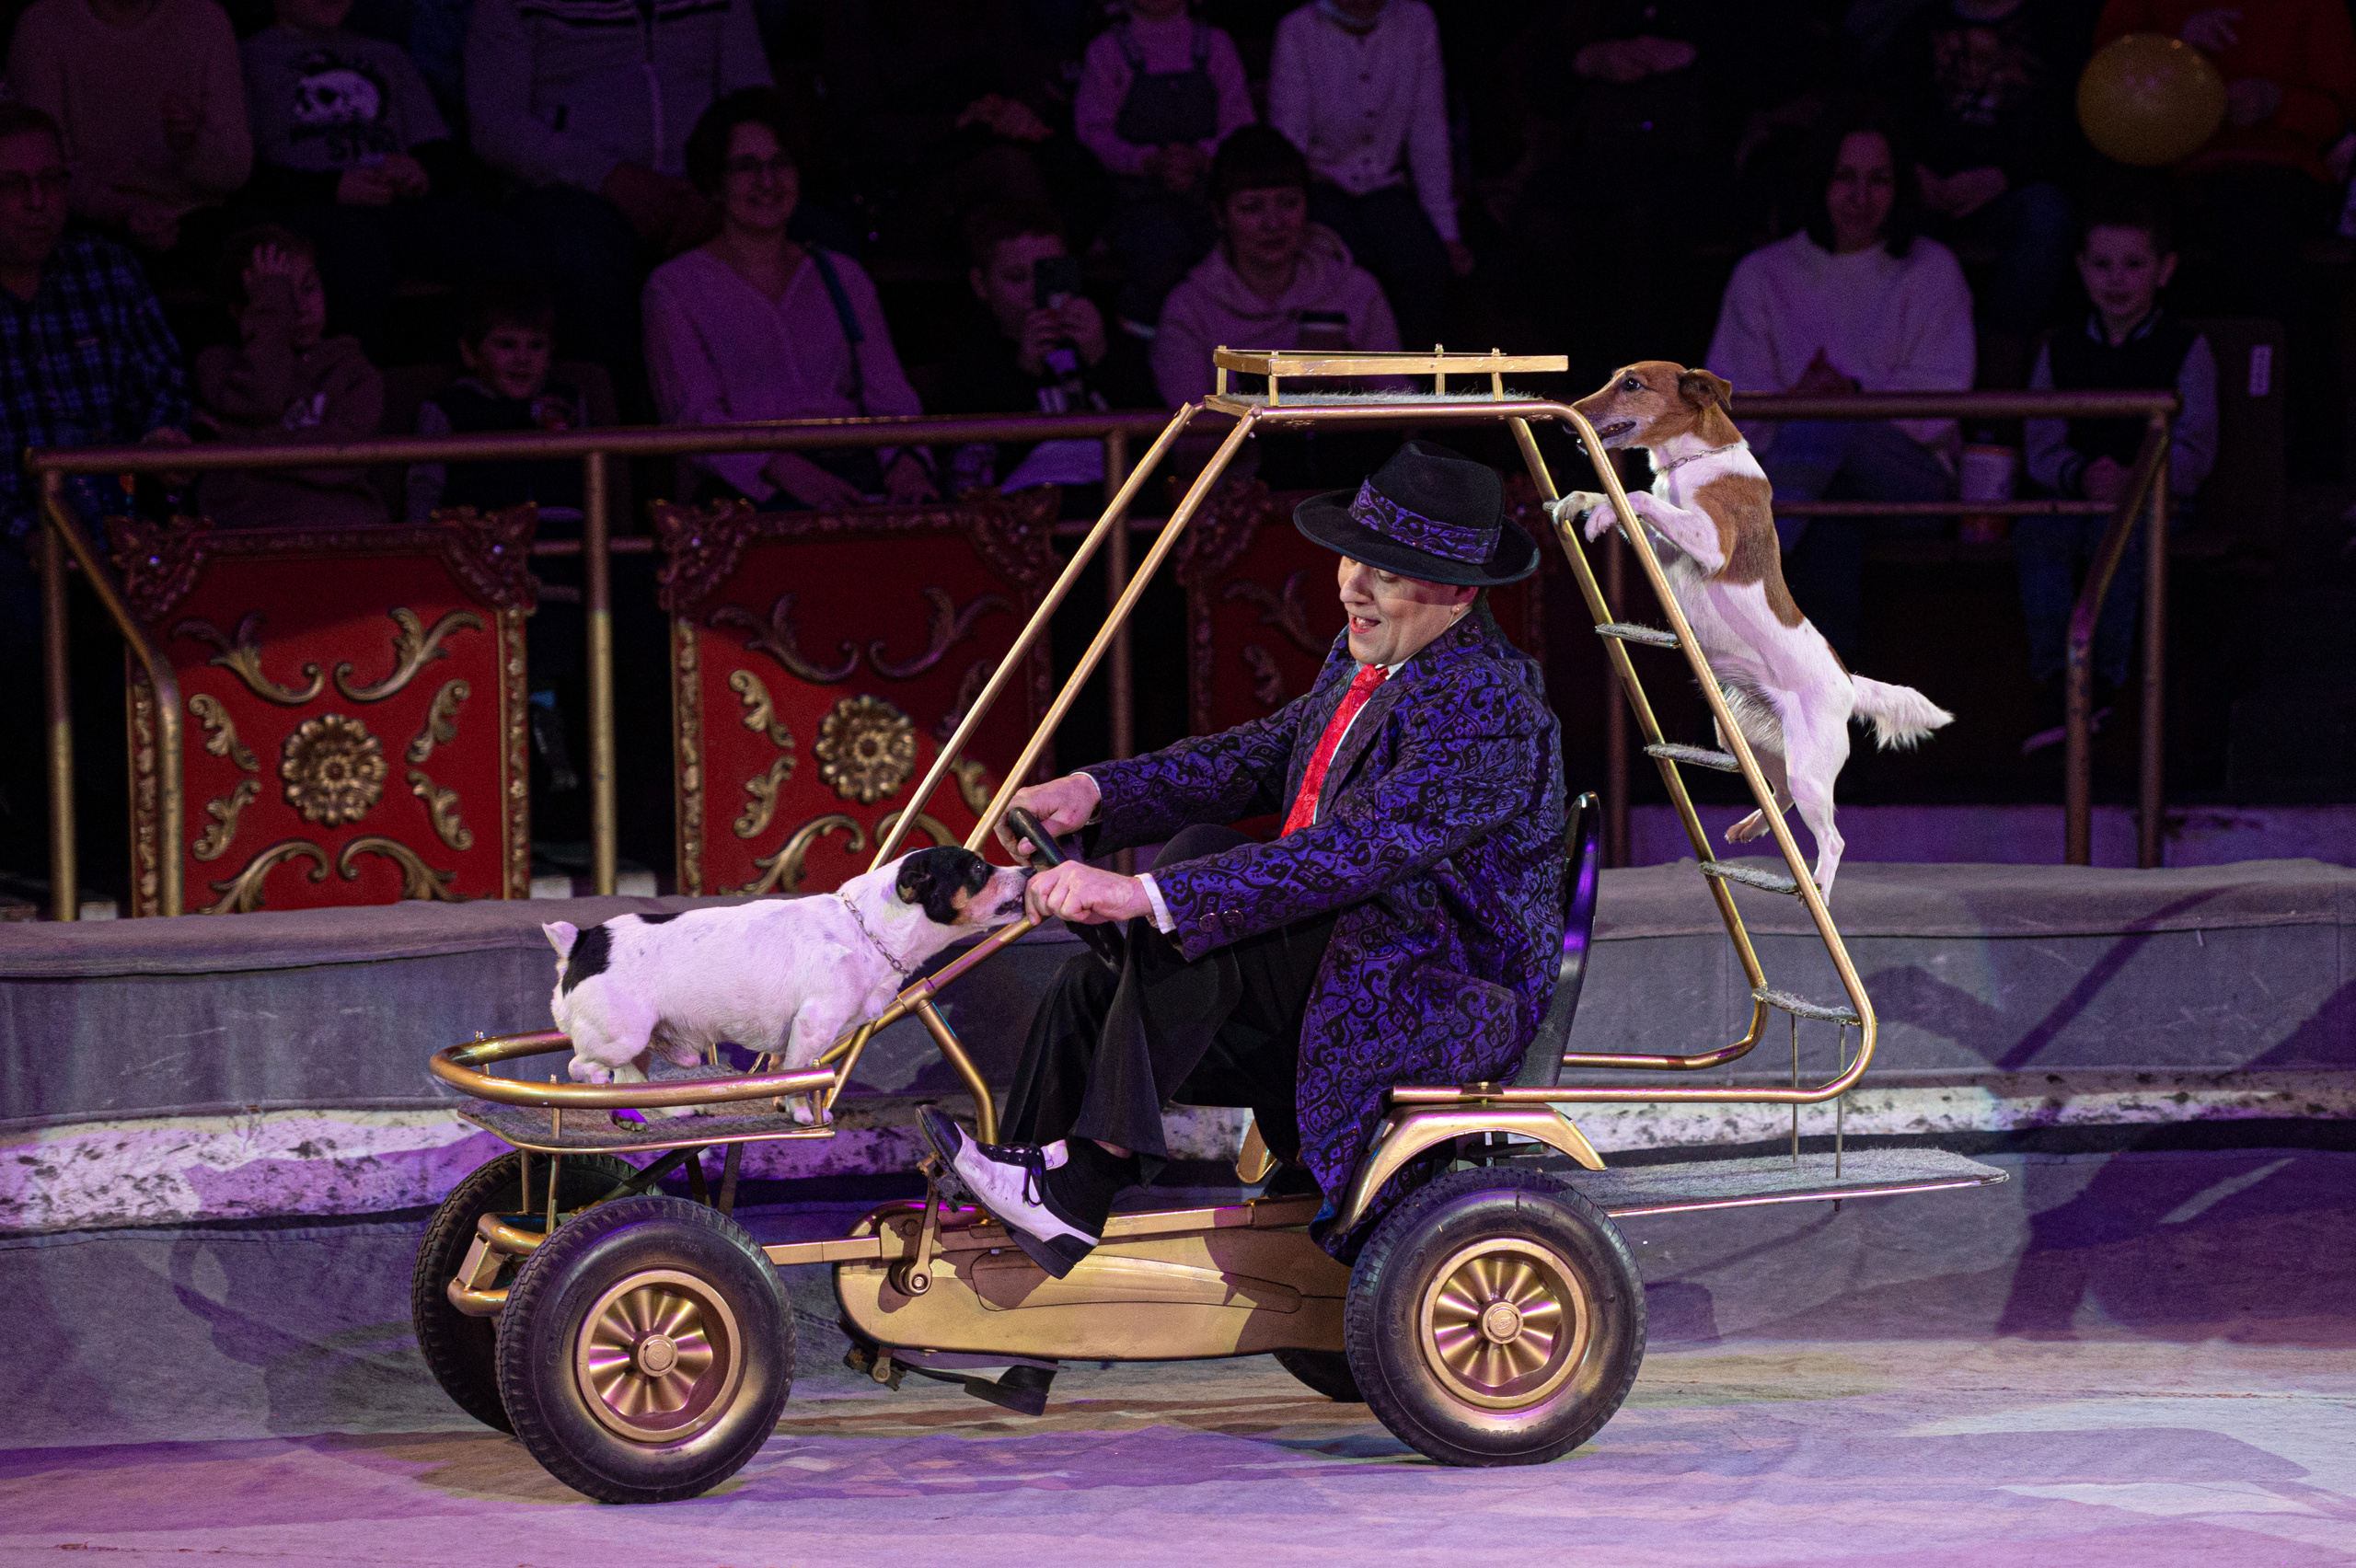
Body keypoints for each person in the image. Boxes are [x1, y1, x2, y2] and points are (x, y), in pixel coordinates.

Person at [916, 441, 1566, 1277]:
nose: (1351, 587)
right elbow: (1260, 755)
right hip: (1344, 954)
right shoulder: (1373, 652)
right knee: (1090, 988)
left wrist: (1147, 890)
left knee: (1198, 882)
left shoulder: (1488, 701)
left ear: (1460, 595)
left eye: (1386, 572)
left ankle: (1084, 1183)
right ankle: (1026, 1219)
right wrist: (1097, 794)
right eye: (1352, 559)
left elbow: (1353, 851)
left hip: (1429, 985)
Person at [1704, 105, 1975, 662]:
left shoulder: (1931, 269)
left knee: (1826, 427)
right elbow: (1725, 414)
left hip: (1905, 477)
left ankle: (1742, 575)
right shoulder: (1763, 274)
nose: (1861, 196)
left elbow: (1940, 405)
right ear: (1818, 182)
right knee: (1830, 525)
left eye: (1879, 180)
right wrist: (1797, 404)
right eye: (1845, 177)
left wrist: (1847, 398)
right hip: (1806, 487)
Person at [2092, 1, 2356, 469]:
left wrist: (2277, 100)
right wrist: (2173, 51)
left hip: (2275, 166)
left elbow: (2337, 109)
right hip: (2163, 164)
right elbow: (2104, 81)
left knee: (2250, 227)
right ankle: (2110, 431)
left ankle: (2281, 432)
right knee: (2121, 223)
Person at [642, 89, 935, 511]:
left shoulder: (841, 275)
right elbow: (696, 418)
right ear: (715, 183)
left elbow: (889, 395)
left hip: (855, 469)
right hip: (748, 489)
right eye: (746, 167)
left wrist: (907, 464)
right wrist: (780, 468)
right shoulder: (675, 287)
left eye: (779, 164)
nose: (767, 181)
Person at [463, 0, 771, 382]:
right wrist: (608, 176)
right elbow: (497, 126)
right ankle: (617, 416)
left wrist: (718, 186)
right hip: (569, 189)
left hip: (703, 186)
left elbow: (755, 105)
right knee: (578, 254)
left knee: (814, 236)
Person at [2016, 198, 2217, 754]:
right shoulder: (2060, 349)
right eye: (2102, 265)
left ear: (2164, 270)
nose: (2117, 280)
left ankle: (2100, 685)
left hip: (2155, 498)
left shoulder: (2186, 348)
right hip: (2076, 496)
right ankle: (2059, 682)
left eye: (2133, 265)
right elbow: (2041, 441)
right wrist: (2081, 476)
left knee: (2129, 539)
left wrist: (2138, 478)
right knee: (2037, 536)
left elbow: (2197, 447)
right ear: (2081, 269)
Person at [242, 0, 530, 354]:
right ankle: (350, 388)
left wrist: (419, 172)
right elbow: (244, 172)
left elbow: (439, 153)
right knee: (353, 259)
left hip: (397, 203)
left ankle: (471, 383)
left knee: (501, 244)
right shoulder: (249, 58)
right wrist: (333, 187)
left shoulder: (386, 55)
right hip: (310, 207)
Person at [1877, 0, 2096, 382]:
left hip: (2014, 192)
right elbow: (1885, 117)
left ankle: (1999, 362)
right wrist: (1911, 171)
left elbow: (2071, 133)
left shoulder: (2057, 29)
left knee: (2048, 216)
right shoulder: (1914, 30)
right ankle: (1910, 361)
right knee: (1886, 209)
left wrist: (2003, 176)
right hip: (1927, 191)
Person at [1150, 125, 1401, 409]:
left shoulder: (1357, 290)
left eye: (1289, 203)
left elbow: (1402, 409)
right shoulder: (1189, 310)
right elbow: (1190, 436)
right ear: (1219, 215)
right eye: (1251, 207)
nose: (1273, 223)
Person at [1267, 0, 1468, 351]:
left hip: (1386, 187)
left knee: (1423, 263)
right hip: (1319, 187)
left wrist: (1446, 231)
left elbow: (1427, 131)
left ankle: (1412, 392)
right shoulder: (1299, 30)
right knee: (1340, 268)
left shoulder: (1416, 21)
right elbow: (1289, 142)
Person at [6, 0, 250, 286]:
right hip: (84, 218)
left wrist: (192, 144)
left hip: (197, 219)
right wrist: (121, 210)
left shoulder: (205, 21)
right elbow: (42, 162)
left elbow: (235, 168)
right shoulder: (44, 28)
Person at [935, 202, 1157, 498]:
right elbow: (974, 466)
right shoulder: (971, 362)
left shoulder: (1109, 339)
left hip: (1123, 502)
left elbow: (1160, 443)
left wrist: (1102, 359)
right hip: (1025, 511)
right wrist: (1024, 372)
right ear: (981, 283)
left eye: (1049, 274)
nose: (1035, 290)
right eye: (1017, 278)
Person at [193, 225, 387, 529]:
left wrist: (242, 442)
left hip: (341, 522)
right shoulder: (219, 367)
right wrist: (272, 318)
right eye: (278, 298)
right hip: (249, 525)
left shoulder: (353, 371)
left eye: (309, 289)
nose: (300, 310)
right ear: (241, 311)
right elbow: (260, 402)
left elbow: (343, 458)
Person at [1074, 0, 1253, 329]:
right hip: (1135, 201)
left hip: (1209, 197)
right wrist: (1148, 162)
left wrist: (1200, 157)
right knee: (1158, 255)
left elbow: (1239, 123)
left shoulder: (1216, 45)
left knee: (1226, 256)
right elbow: (1092, 133)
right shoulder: (1107, 51)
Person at [406, 277, 589, 523]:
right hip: (481, 542)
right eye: (506, 345)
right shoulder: (448, 408)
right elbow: (425, 489)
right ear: (470, 353)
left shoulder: (569, 402)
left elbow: (593, 482)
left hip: (566, 538)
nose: (522, 359)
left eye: (536, 346)